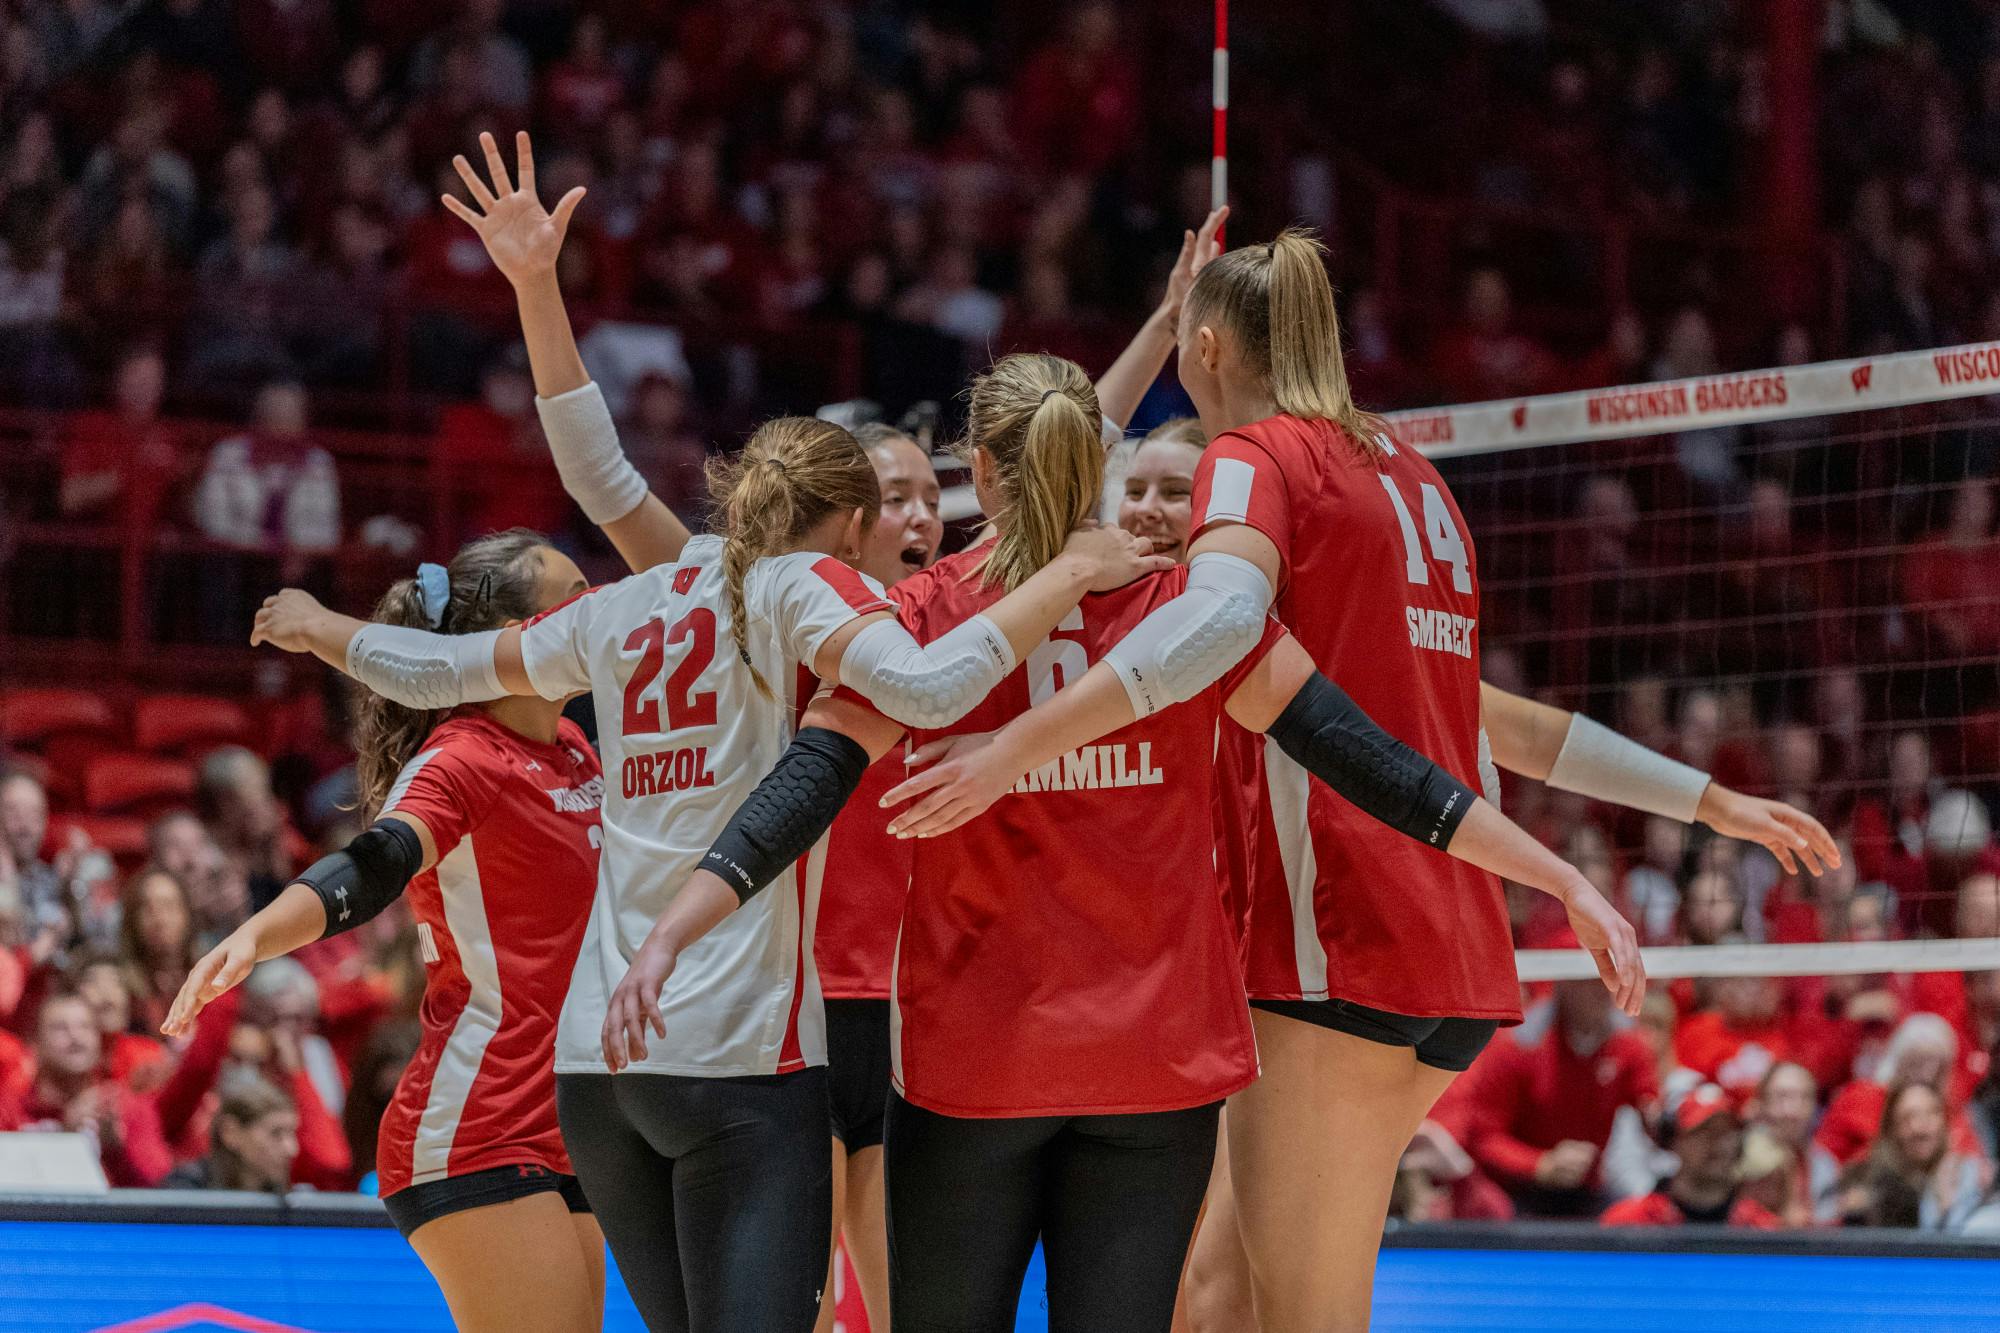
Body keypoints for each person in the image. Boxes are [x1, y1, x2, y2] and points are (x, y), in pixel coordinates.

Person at [244, 131, 1171, 1333]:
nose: (910, 515)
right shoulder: (796, 597)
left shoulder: (891, 593)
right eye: (884, 495)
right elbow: (602, 473)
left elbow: (1041, 467)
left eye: (920, 496)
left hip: (810, 1011)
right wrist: (536, 289)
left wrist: (329, 627)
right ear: (842, 519)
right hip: (758, 1024)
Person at [879, 230, 1827, 1331]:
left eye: (1162, 485)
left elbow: (1230, 631)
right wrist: (1702, 798)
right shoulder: (1408, 478)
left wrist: (1011, 751)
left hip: (1335, 942)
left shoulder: (1254, 459)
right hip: (1444, 947)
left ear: (1210, 344)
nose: (1142, 503)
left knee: (1302, 1314)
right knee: (1209, 1293)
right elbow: (1484, 717)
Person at [605, 350, 1646, 1333]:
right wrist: (1561, 879)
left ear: (978, 467)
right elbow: (1377, 765)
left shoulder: (924, 613)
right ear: (1093, 463)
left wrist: (676, 925)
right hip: (1156, 1067)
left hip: (978, 1061)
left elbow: (808, 781)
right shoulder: (1188, 614)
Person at [164, 528, 611, 1332]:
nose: (599, 611)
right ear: (508, 638)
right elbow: (374, 864)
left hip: (563, 1123)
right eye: (574, 596)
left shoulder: (576, 747)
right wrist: (254, 936)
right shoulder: (464, 758)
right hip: (477, 1122)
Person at [0, 990, 172, 1187]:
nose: (76, 1036)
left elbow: (158, 1191)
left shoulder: (126, 1108)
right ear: (35, 1044)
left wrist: (113, 1150)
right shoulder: (10, 1111)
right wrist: (64, 1138)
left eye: (85, 1027)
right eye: (60, 1028)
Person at [1601, 1083, 1779, 1228]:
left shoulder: (1758, 1229)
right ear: (1674, 1141)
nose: (1718, 1144)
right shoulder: (1631, 1223)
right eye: (1704, 1132)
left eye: (1727, 1133)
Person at [1867, 1080, 1984, 1230]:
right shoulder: (1874, 1185)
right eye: (1907, 1118)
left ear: (1945, 1120)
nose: (1920, 1128)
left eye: (1930, 1114)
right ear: (1891, 1128)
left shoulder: (1970, 1174)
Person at [164, 1068, 301, 1194]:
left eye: (292, 1134)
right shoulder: (184, 1192)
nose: (291, 1149)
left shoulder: (289, 1201)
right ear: (230, 1133)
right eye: (275, 1133)